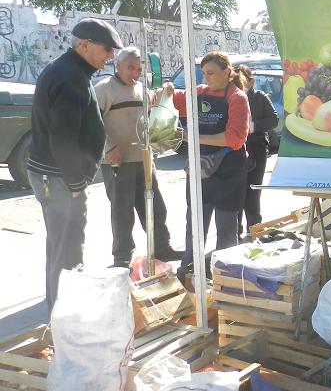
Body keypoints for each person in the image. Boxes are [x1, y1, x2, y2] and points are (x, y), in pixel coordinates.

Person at [26, 18, 123, 310]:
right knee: (67, 250)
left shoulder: (69, 70)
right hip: (60, 179)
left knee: (61, 245)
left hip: (55, 176)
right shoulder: (71, 78)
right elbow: (62, 137)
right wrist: (76, 183)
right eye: (107, 49)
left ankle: (60, 310)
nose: (111, 57)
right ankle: (64, 315)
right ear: (85, 45)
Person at [94, 46, 183, 267]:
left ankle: (162, 247)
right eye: (130, 68)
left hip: (143, 158)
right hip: (117, 161)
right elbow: (91, 123)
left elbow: (153, 101)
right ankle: (122, 257)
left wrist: (165, 92)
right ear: (118, 66)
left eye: (138, 69)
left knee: (155, 206)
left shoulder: (140, 88)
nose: (135, 73)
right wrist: (108, 148)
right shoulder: (103, 89)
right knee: (122, 211)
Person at [166, 52, 251, 281]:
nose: (206, 78)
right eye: (203, 74)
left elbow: (235, 138)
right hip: (200, 172)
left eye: (211, 73)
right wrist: (163, 92)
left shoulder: (237, 98)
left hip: (229, 173)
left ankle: (227, 280)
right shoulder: (200, 93)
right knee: (194, 229)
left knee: (226, 234)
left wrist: (194, 137)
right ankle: (188, 275)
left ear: (227, 72)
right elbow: (175, 99)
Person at [236, 64, 279, 240]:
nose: (239, 82)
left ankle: (255, 229)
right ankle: (235, 231)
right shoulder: (230, 97)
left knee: (253, 191)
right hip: (236, 150)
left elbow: (274, 119)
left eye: (242, 79)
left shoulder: (259, 97)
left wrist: (254, 126)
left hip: (257, 148)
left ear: (251, 81)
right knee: (237, 191)